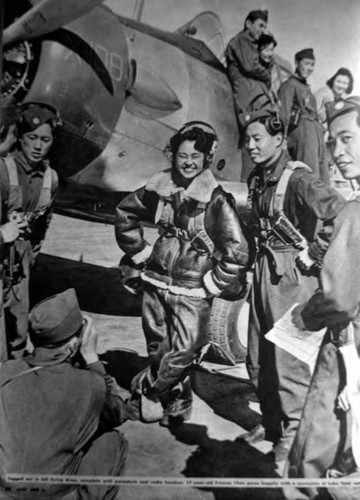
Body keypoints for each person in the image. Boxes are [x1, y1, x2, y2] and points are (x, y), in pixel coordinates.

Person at [115, 121, 250, 426]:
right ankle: (179, 398)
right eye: (182, 156)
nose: (188, 162)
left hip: (192, 290)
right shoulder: (158, 188)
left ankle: (146, 390)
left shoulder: (216, 199)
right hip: (155, 281)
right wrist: (140, 251)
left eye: (195, 157)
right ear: (172, 156)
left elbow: (237, 250)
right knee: (157, 347)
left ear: (205, 159)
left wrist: (213, 283)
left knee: (184, 351)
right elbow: (125, 213)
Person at [239, 107, 345, 472]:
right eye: (248, 139)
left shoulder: (298, 179)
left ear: (279, 140)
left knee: (290, 361)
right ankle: (272, 423)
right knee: (259, 356)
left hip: (293, 279)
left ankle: (294, 434)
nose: (250, 146)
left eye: (258, 139)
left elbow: (340, 211)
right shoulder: (258, 178)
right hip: (263, 271)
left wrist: (315, 251)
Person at [285, 96, 360, 499]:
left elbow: (338, 301)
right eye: (333, 143)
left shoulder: (355, 212)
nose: (338, 152)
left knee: (316, 449)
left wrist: (304, 318)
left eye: (348, 139)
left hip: (348, 348)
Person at [0, 288, 130, 500]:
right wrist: (93, 360)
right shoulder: (90, 384)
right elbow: (117, 413)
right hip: (53, 493)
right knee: (112, 441)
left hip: (5, 489)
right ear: (73, 345)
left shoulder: (6, 370)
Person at [0, 102, 59, 359]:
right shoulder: (3, 171)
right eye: (31, 137)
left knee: (18, 336)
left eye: (45, 139)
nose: (38, 146)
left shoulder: (50, 178)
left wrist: (31, 255)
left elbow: (43, 224)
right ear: (19, 138)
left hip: (20, 263)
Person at [278, 48, 329, 184]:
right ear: (297, 63)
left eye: (312, 64)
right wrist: (281, 138)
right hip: (303, 133)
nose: (309, 68)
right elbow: (283, 114)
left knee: (323, 175)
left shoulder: (306, 89)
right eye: (306, 63)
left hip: (315, 134)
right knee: (309, 174)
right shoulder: (289, 86)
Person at [225, 9, 271, 118]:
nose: (263, 30)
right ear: (248, 24)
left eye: (264, 27)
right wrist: (267, 76)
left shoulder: (252, 43)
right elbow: (250, 67)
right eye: (260, 26)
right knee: (249, 119)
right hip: (243, 84)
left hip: (252, 85)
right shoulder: (242, 40)